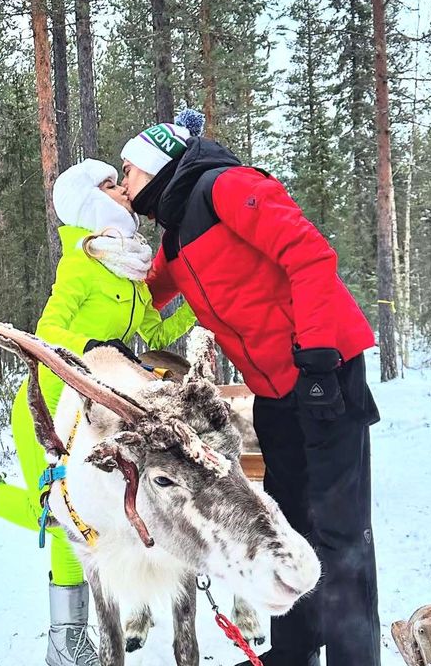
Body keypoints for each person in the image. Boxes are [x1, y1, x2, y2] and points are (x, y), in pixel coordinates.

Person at [119, 110, 381, 666]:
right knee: (290, 523)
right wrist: (99, 256)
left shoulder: (226, 186)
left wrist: (314, 357)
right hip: (274, 392)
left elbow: (308, 255)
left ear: (157, 163)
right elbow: (144, 301)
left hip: (324, 373)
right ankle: (292, 654)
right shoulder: (176, 236)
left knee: (339, 531)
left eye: (128, 171)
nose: (123, 183)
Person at [0, 159, 197, 666]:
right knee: (57, 513)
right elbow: (49, 331)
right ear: (89, 202)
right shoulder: (80, 262)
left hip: (93, 405)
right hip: (49, 404)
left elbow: (152, 336)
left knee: (79, 517)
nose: (122, 191)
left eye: (118, 182)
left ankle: (63, 643)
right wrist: (96, 348)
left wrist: (204, 299)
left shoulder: (127, 268)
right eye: (109, 185)